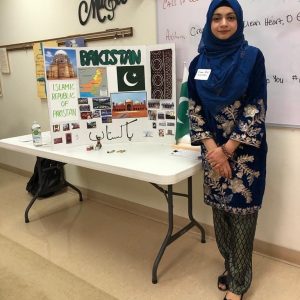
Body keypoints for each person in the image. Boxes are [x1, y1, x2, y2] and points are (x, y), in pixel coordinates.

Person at [188, 0, 267, 299]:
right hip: (212, 152)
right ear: (209, 22)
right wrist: (213, 149)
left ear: (239, 21)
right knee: (221, 216)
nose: (223, 23)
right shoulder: (198, 63)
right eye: (217, 18)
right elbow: (194, 109)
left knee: (243, 217)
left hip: (245, 154)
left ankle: (239, 283)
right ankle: (232, 267)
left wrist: (228, 148)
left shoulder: (253, 58)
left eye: (230, 17)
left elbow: (256, 105)